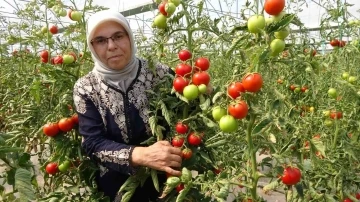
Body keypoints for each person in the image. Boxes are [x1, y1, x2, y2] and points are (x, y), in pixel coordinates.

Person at [73, 9, 183, 202]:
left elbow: (186, 115)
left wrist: (204, 93)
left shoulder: (159, 73)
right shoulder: (86, 87)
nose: (111, 46)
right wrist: (141, 155)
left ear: (130, 37)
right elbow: (92, 143)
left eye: (118, 36)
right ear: (92, 46)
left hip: (168, 182)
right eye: (100, 40)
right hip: (117, 187)